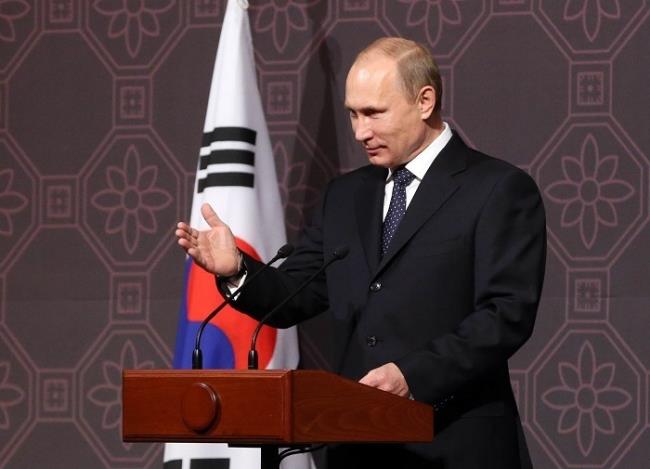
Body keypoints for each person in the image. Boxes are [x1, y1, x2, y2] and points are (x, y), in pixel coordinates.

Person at [176, 37, 546, 468]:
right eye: (352, 114)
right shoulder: (345, 196)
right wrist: (237, 268)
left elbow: (505, 315)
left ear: (424, 101)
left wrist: (412, 375)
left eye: (373, 113)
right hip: (358, 446)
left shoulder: (496, 189)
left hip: (455, 443)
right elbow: (294, 294)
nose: (360, 132)